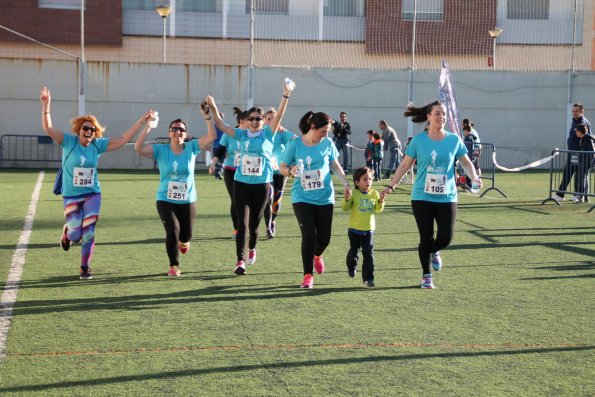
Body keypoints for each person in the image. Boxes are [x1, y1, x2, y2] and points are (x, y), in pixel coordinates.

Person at [40, 86, 150, 280]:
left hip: (92, 194)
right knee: (76, 236)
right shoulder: (69, 142)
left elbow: (124, 139)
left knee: (89, 232)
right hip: (72, 194)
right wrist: (46, 106)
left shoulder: (97, 145)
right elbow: (48, 129)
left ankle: (84, 267)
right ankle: (68, 232)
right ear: (79, 129)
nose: (88, 131)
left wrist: (143, 121)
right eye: (85, 128)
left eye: (92, 129)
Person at [383, 101, 480, 289]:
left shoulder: (454, 140)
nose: (441, 117)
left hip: (447, 196)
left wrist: (474, 177)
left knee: (446, 237)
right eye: (437, 113)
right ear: (428, 117)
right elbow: (405, 165)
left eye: (443, 113)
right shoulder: (419, 141)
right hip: (422, 197)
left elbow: (466, 162)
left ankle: (434, 251)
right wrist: (391, 186)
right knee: (425, 236)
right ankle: (426, 275)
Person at [207, 79, 294, 275]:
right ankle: (240, 260)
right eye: (252, 118)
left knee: (254, 225)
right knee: (242, 223)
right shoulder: (241, 134)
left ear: (264, 121)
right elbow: (220, 124)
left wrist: (286, 94)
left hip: (262, 185)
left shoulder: (268, 134)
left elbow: (279, 114)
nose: (255, 121)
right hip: (241, 184)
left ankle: (253, 247)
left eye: (258, 119)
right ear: (248, 120)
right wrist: (213, 106)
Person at [134, 102, 216, 276]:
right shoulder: (161, 150)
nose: (177, 132)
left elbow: (211, 136)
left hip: (187, 198)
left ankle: (184, 241)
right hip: (165, 198)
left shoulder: (192, 147)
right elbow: (138, 148)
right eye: (174, 129)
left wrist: (207, 116)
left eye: (181, 130)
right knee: (172, 230)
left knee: (185, 235)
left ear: (185, 134)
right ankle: (174, 266)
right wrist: (148, 126)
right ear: (169, 132)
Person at [280, 111, 352, 289]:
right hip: (301, 197)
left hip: (324, 197)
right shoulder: (296, 144)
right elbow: (282, 166)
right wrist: (290, 171)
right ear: (313, 127)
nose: (326, 135)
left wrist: (346, 184)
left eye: (327, 132)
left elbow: (335, 165)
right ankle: (307, 275)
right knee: (309, 235)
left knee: (325, 238)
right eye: (323, 131)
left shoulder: (327, 143)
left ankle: (317, 255)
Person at [342, 167, 386, 288]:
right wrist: (346, 198)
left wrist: (381, 200)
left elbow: (378, 210)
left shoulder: (374, 193)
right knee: (354, 253)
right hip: (354, 230)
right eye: (365, 179)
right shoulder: (354, 193)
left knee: (368, 254)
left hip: (368, 230)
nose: (368, 182)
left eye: (370, 179)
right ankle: (351, 267)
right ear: (357, 182)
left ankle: (368, 278)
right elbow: (345, 208)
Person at [209, 107, 247, 239]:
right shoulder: (229, 133)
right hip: (231, 172)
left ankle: (248, 227)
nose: (253, 123)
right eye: (250, 119)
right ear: (242, 121)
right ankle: (237, 229)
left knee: (248, 202)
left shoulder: (253, 135)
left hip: (248, 173)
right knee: (236, 200)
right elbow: (220, 151)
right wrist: (214, 163)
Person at [263, 108, 296, 239]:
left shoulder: (283, 133)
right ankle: (267, 227)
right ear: (265, 121)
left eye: (274, 119)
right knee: (268, 197)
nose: (271, 121)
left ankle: (272, 220)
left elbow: (295, 139)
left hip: (281, 171)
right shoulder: (263, 133)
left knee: (277, 199)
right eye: (269, 119)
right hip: (266, 171)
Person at [553, 103, 591, 201]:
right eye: (573, 111)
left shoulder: (582, 122)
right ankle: (571, 195)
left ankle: (577, 196)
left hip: (578, 153)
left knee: (578, 174)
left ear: (582, 111)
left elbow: (587, 138)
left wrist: (581, 152)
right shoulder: (575, 120)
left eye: (576, 111)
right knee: (571, 173)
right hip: (573, 152)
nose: (574, 113)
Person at [572, 123, 595, 203]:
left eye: (577, 131)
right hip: (584, 162)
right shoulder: (584, 138)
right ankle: (585, 198)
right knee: (585, 179)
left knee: (583, 179)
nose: (576, 133)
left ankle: (581, 197)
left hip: (586, 163)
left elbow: (592, 152)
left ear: (580, 131)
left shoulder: (587, 138)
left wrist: (589, 162)